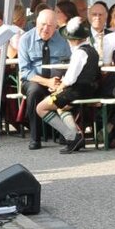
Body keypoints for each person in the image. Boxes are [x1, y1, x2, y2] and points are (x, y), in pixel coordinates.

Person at [35, 17, 98, 154]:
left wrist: (58, 88)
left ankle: (71, 137)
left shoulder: (79, 53)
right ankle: (75, 136)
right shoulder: (92, 50)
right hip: (88, 89)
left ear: (72, 39)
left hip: (76, 91)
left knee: (41, 108)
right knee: (61, 107)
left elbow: (70, 79)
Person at [17, 9, 71, 149]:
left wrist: (61, 82)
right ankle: (35, 137)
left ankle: (66, 134)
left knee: (70, 90)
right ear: (36, 23)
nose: (46, 29)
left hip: (58, 79)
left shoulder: (63, 40)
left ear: (56, 26)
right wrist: (47, 82)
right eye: (43, 24)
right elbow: (24, 71)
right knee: (34, 91)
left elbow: (69, 64)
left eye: (50, 25)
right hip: (33, 80)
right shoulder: (25, 39)